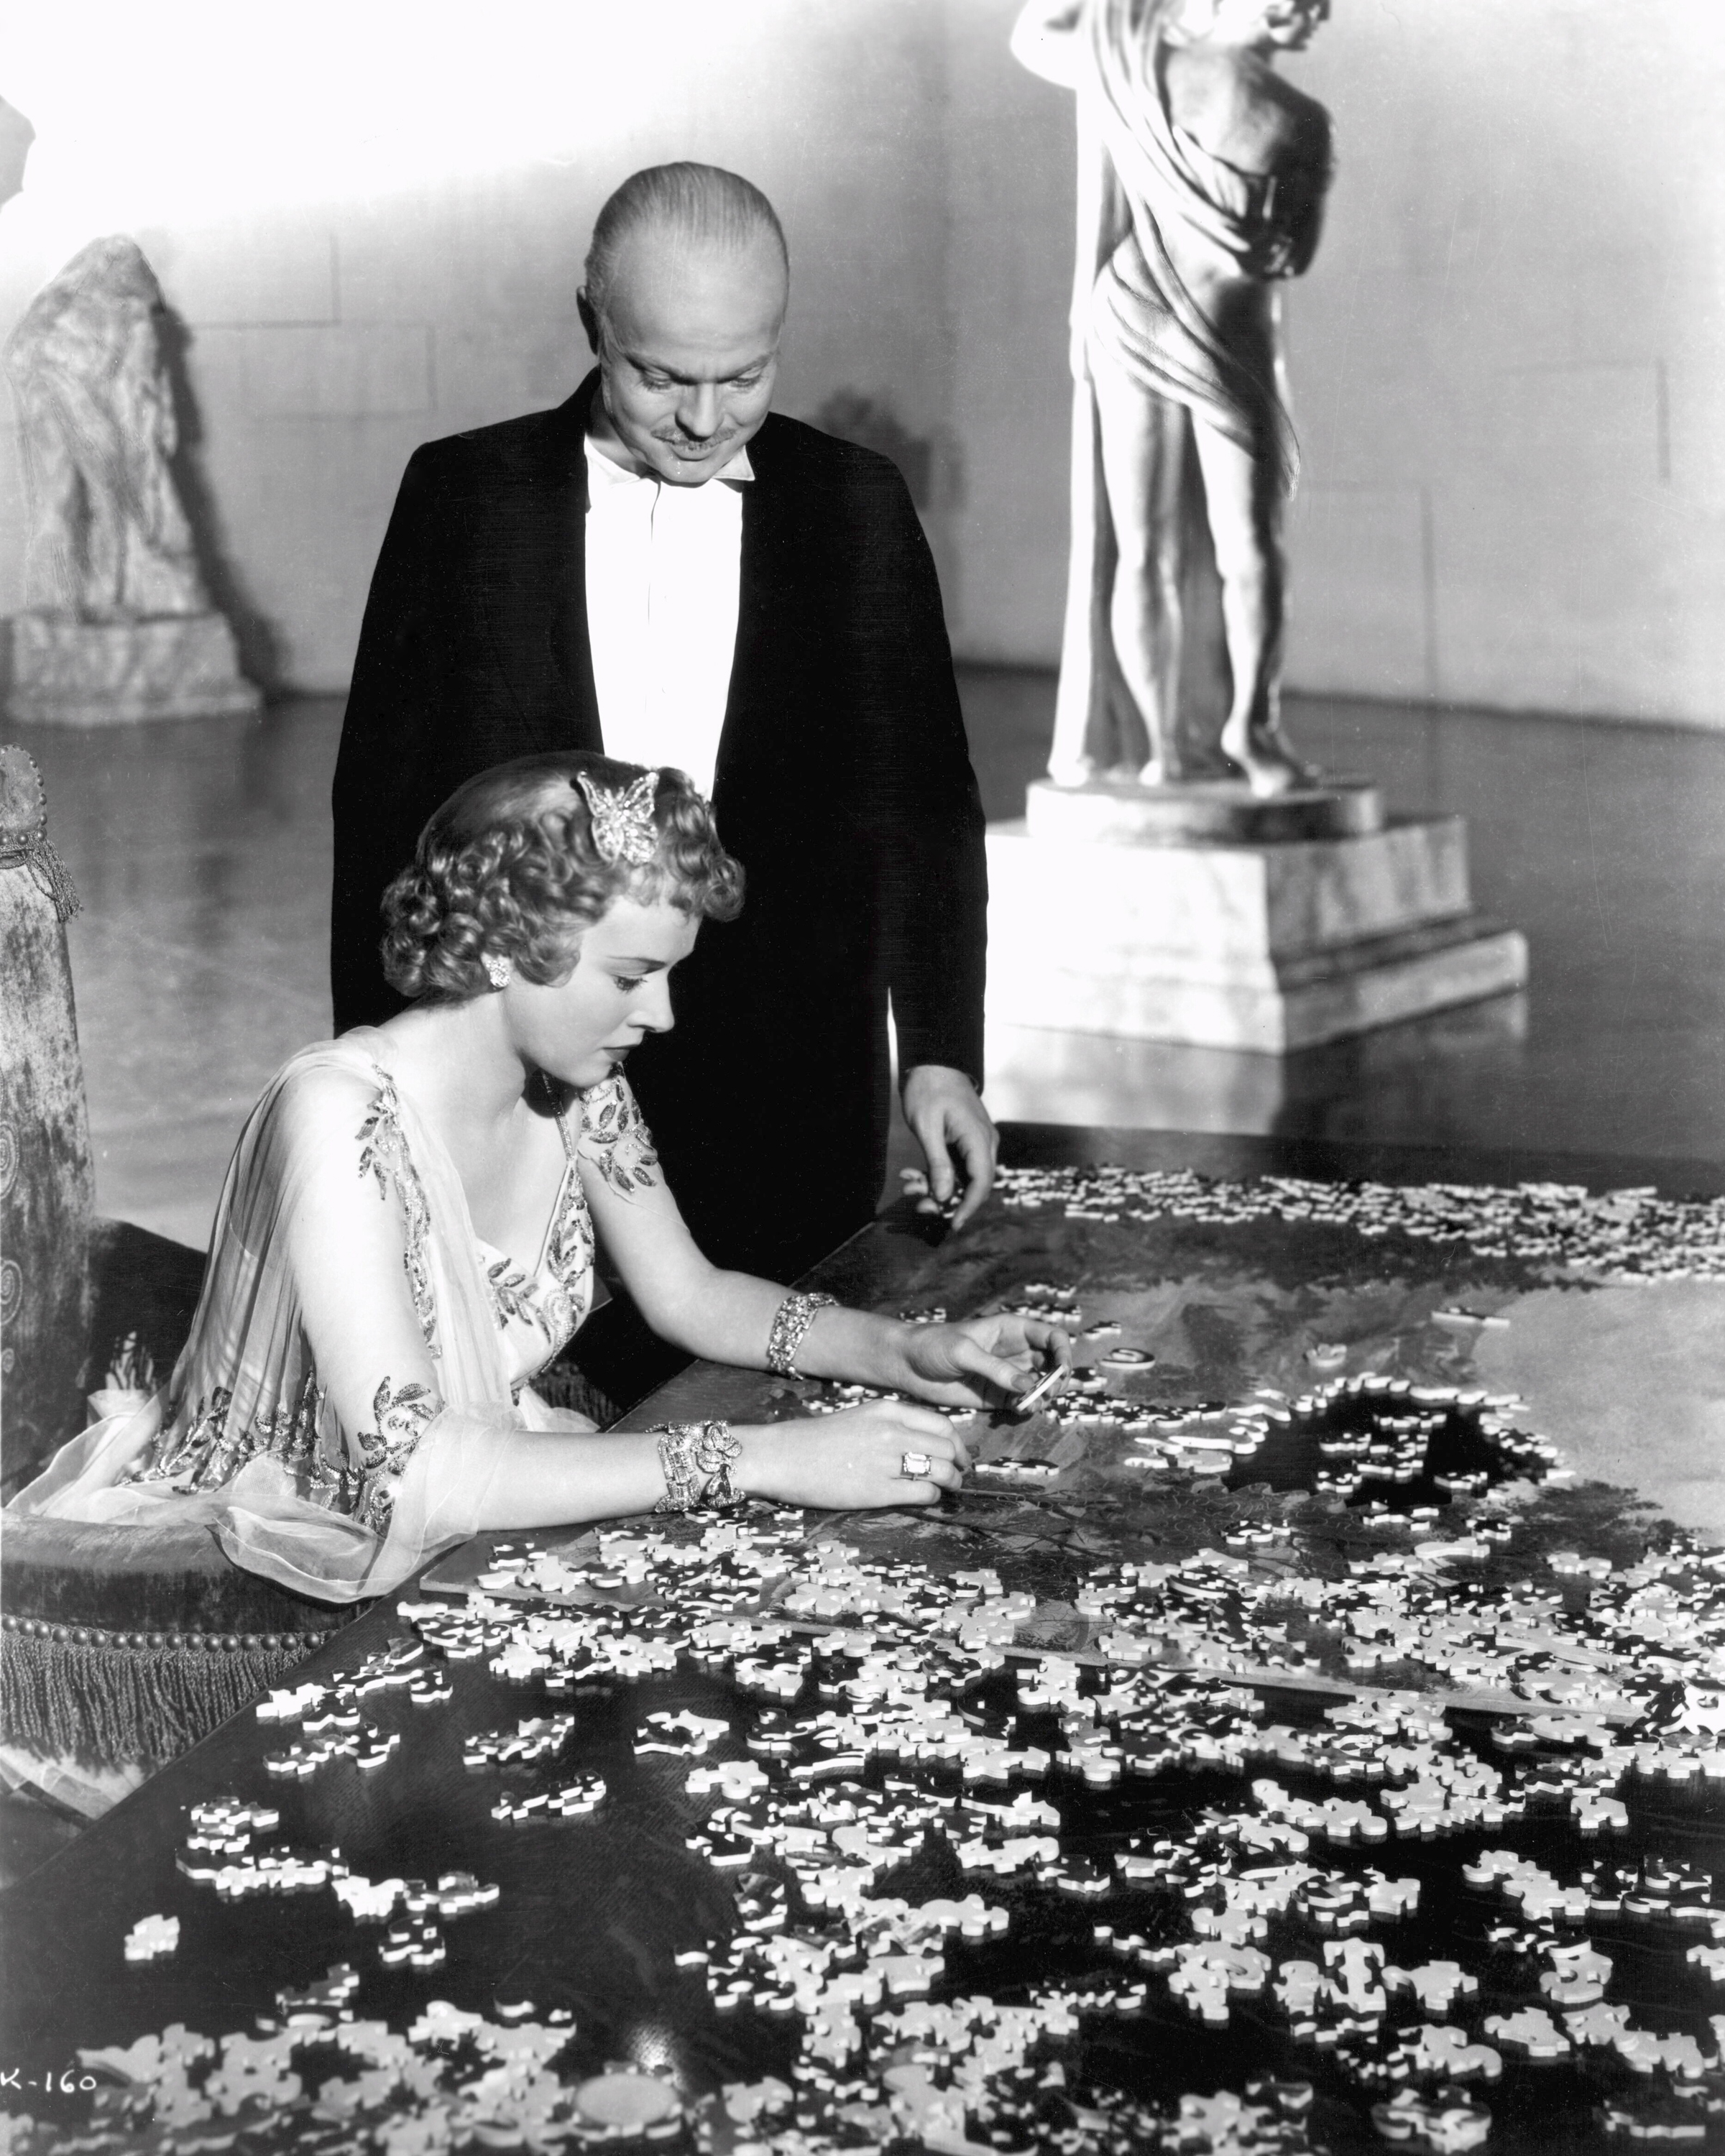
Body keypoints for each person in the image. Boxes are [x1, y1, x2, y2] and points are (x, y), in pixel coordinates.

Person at [10, 757, 1062, 1603]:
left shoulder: (581, 1086)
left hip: (500, 1481)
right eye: (630, 977)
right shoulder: (338, 1114)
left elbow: (688, 1295)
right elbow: (417, 1475)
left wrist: (904, 1349)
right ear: (508, 948)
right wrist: (771, 1456)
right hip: (306, 1550)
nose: (663, 1017)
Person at [330, 163, 995, 1333]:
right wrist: (376, 1083)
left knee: (780, 1394)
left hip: (795, 1081)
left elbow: (925, 801)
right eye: (660, 377)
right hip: (528, 1076)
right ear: (592, 322)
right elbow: (383, 816)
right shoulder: (463, 499)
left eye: (743, 376)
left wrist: (941, 1052)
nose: (702, 419)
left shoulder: (857, 504)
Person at [1011, 0, 1334, 794]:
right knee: (1247, 550)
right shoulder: (1302, 119)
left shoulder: (1137, 66)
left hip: (1133, 315)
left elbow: (1034, 34)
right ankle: (1249, 734)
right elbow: (1293, 255)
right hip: (1223, 335)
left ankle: (1167, 749)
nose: (1317, 13)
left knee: (1149, 551)